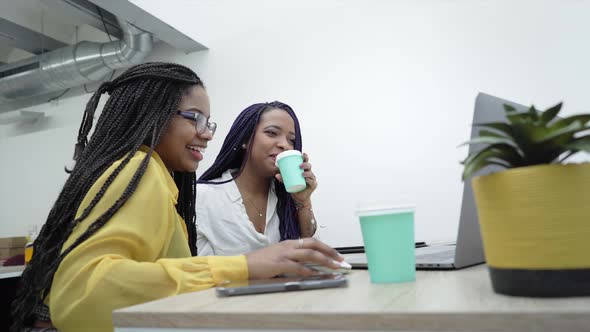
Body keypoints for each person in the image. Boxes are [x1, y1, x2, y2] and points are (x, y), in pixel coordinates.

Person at [10, 63, 344, 332]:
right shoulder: (141, 169)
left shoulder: (165, 185)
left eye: (209, 122)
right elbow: (86, 291)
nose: (207, 132)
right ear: (152, 113)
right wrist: (244, 267)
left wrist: (302, 201)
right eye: (194, 118)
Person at [196, 101, 319, 256]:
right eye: (272, 133)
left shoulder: (286, 201)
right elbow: (196, 271)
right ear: (245, 139)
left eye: (292, 140)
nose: (285, 145)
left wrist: (303, 202)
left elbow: (313, 258)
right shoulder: (203, 197)